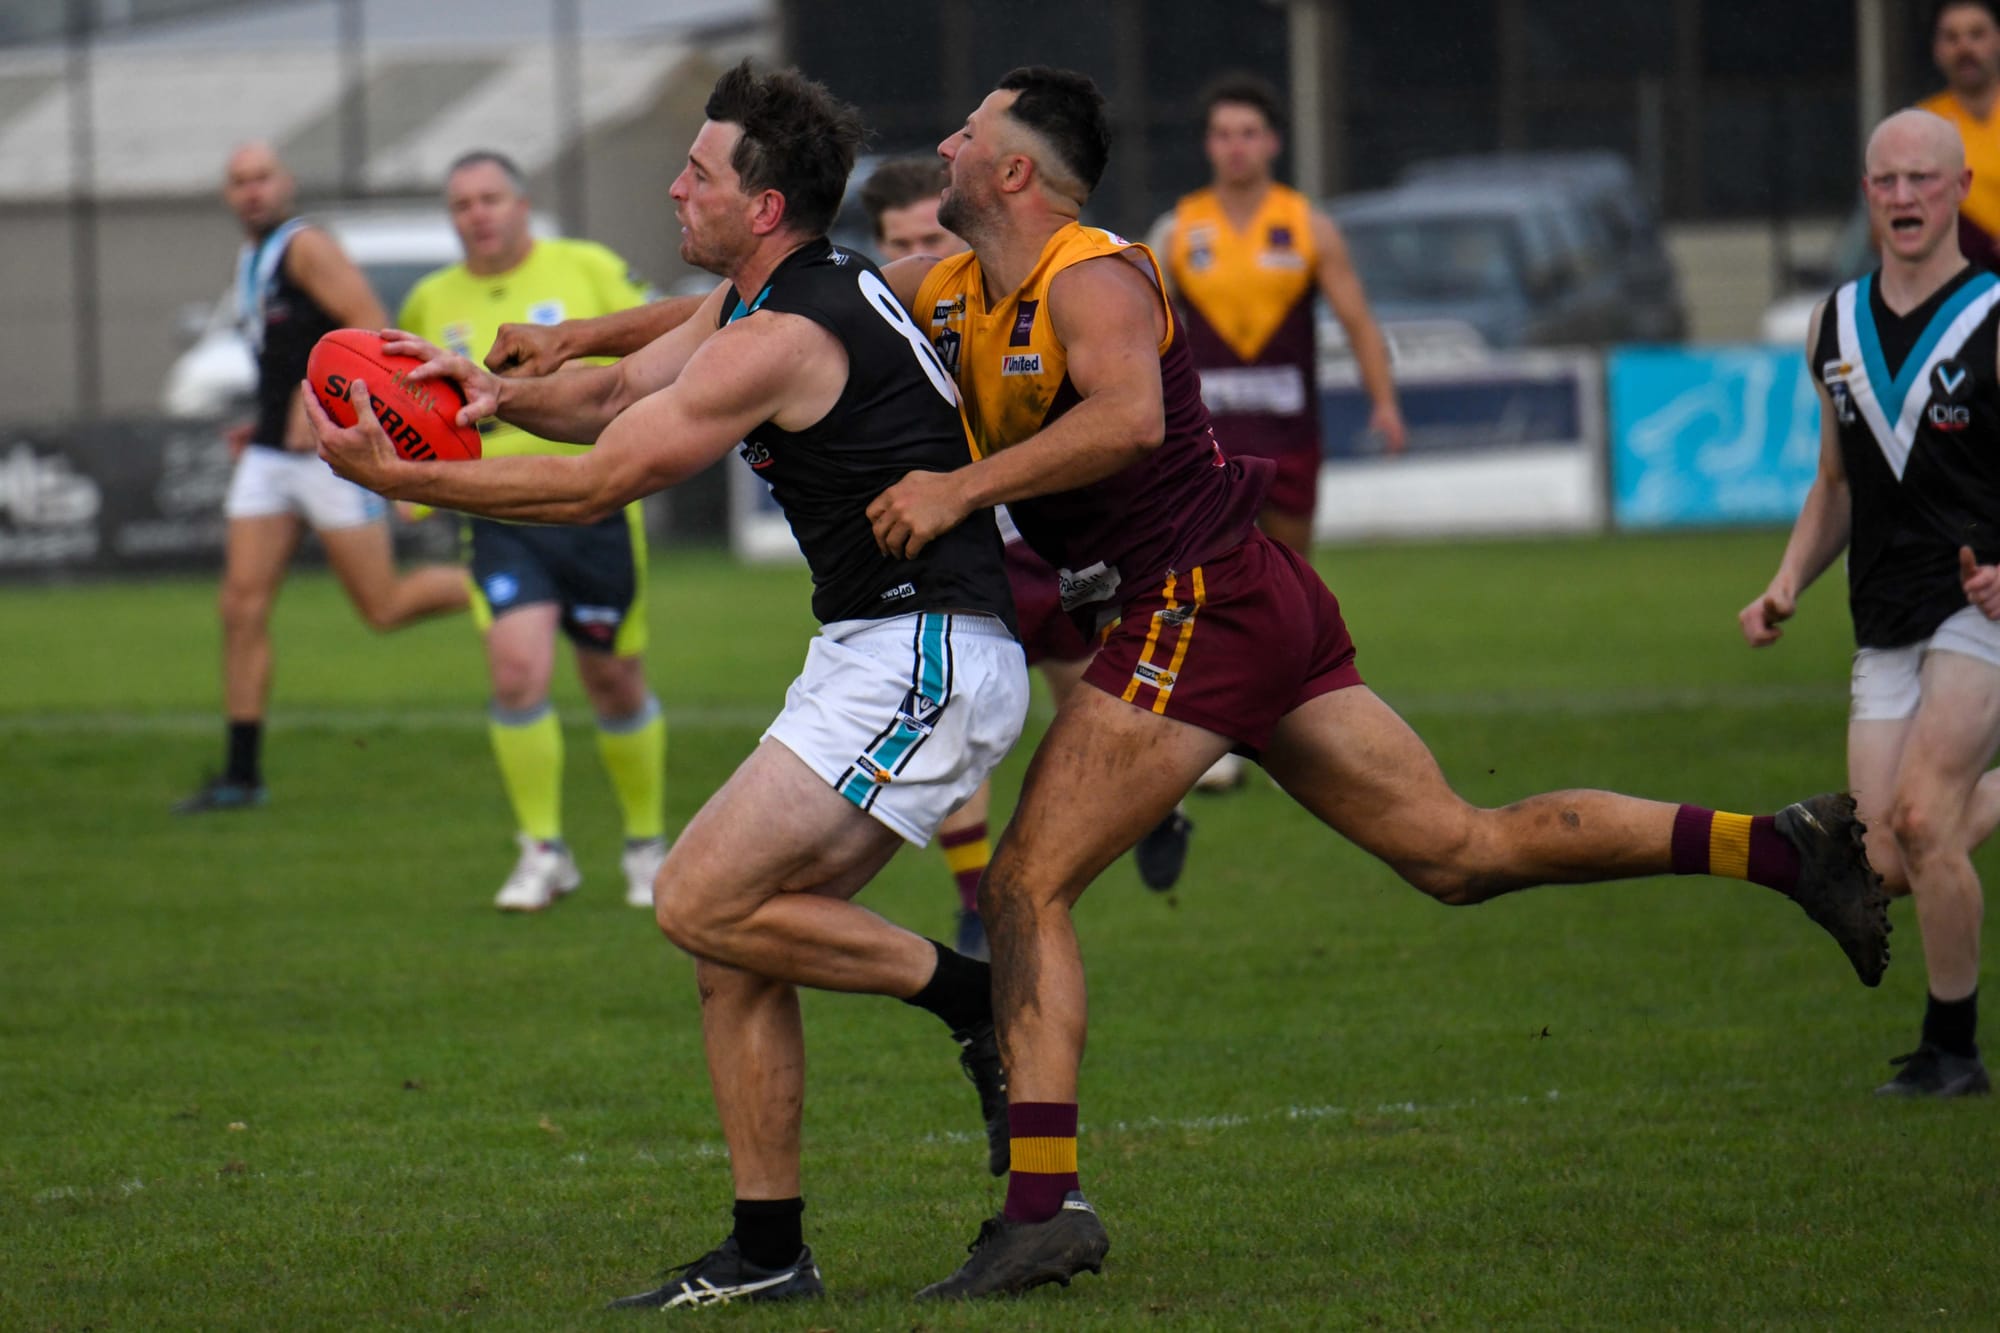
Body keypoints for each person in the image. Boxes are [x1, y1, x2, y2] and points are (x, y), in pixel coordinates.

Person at [854, 67, 1891, 1298]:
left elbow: (1129, 420)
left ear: (1013, 170)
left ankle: (1041, 1207)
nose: (942, 144)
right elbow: (785, 320)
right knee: (1458, 852)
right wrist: (580, 351)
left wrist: (957, 488)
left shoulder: (1090, 271)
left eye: (965, 133)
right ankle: (1779, 848)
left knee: (1024, 882)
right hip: (1249, 596)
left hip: (1199, 602)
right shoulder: (947, 283)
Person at [309, 61, 1026, 1308]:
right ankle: (765, 1255)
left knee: (697, 895)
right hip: (875, 649)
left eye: (697, 173)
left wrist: (412, 485)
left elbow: (603, 484)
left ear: (759, 207)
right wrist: (489, 396)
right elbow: (612, 399)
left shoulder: (786, 331)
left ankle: (975, 998)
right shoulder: (770, 296)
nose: (674, 186)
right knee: (730, 948)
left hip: (926, 650)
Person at [858, 158, 1195, 958]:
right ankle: (977, 905)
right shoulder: (894, 309)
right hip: (965, 552)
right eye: (896, 241)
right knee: (957, 716)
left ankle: (1155, 802)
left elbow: (1124, 416)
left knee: (1090, 715)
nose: (914, 252)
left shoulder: (1034, 294)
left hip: (1058, 548)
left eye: (924, 236)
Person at [1741, 108, 2000, 1099]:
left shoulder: (1991, 314)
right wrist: (1782, 580)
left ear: (1958, 188)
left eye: (1921, 180)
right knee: (1882, 855)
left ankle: (1951, 1050)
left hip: (1975, 613)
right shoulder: (1832, 324)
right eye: (1884, 181)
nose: (1902, 197)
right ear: (1865, 194)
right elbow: (1835, 485)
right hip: (1879, 611)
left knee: (1928, 820)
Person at [396, 150, 670, 912]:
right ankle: (542, 850)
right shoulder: (430, 299)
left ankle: (647, 844)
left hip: (597, 500)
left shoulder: (587, 267)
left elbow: (660, 349)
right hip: (497, 509)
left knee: (614, 681)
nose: (476, 214)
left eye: (489, 198)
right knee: (517, 671)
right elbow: (413, 410)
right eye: (461, 205)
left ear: (521, 204)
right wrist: (412, 494)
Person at [174, 142, 467, 814]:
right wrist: (265, 424)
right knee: (240, 608)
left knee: (384, 608)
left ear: (288, 183)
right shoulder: (253, 260)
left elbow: (367, 325)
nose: (251, 191)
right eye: (238, 180)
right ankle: (242, 776)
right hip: (272, 458)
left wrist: (317, 400)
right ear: (228, 193)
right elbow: (281, 352)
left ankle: (508, 589)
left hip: (329, 456)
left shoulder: (305, 246)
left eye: (262, 178)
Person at [1150, 73, 1404, 793]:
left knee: (1290, 586)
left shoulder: (1309, 224)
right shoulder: (1177, 230)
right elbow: (1135, 327)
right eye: (1224, 133)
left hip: (1291, 439)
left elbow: (1357, 319)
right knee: (1208, 582)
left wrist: (1386, 404)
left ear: (1274, 142)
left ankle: (1290, 724)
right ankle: (1218, 739)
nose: (1236, 146)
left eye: (1249, 133)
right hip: (1207, 448)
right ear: (1208, 144)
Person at [1919, 0, 2000, 269]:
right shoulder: (1920, 127)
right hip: (1959, 286)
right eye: (1952, 38)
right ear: (1936, 50)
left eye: (1976, 35)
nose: (1965, 48)